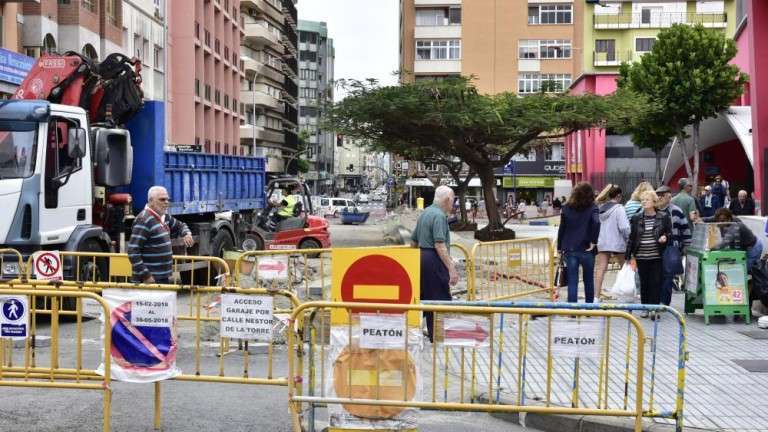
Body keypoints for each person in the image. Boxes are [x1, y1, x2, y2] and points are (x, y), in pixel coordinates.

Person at [411, 185, 459, 341]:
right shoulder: (439, 216)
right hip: (433, 259)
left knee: (425, 297)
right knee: (439, 299)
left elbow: (413, 240)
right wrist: (451, 268)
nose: (453, 204)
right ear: (446, 199)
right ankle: (438, 336)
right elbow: (440, 245)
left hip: (421, 257)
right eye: (452, 200)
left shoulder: (425, 213)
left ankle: (424, 332)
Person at [128, 186, 194, 284]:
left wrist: (187, 234)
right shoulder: (143, 220)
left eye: (167, 199)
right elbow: (133, 251)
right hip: (149, 280)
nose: (166, 202)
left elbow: (181, 225)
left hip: (162, 277)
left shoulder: (164, 217)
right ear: (151, 201)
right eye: (162, 199)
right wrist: (146, 276)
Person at [626, 190, 671, 319]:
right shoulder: (636, 218)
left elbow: (669, 233)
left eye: (647, 200)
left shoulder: (663, 216)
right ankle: (645, 307)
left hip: (657, 255)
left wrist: (665, 237)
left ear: (654, 202)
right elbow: (632, 237)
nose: (644, 202)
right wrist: (628, 255)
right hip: (641, 255)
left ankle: (654, 308)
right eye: (642, 200)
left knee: (656, 282)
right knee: (644, 282)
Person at [557, 182, 600, 303]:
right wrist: (593, 240)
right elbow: (596, 222)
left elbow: (562, 228)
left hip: (570, 248)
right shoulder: (593, 207)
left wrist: (559, 246)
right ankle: (589, 308)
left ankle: (572, 310)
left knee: (572, 280)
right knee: (588, 280)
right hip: (587, 248)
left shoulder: (566, 208)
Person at [695, 208, 763, 271]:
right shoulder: (724, 217)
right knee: (740, 269)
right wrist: (700, 219)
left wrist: (708, 248)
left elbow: (724, 243)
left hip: (753, 248)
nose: (718, 223)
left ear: (729, 219)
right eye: (717, 220)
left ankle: (756, 283)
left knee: (744, 270)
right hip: (745, 246)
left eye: (721, 221)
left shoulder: (735, 225)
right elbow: (710, 219)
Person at [656, 185, 692, 306]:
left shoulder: (676, 210)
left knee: (668, 275)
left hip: (671, 247)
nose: (660, 198)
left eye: (663, 195)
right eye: (658, 195)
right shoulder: (653, 210)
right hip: (654, 248)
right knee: (656, 276)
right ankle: (655, 300)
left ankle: (664, 302)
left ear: (669, 197)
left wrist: (686, 245)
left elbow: (685, 228)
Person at [594, 186, 630, 300]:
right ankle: (624, 295)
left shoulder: (600, 208)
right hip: (618, 243)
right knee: (624, 269)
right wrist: (628, 239)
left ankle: (596, 297)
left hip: (603, 242)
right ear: (618, 196)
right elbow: (624, 227)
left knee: (600, 269)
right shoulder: (619, 208)